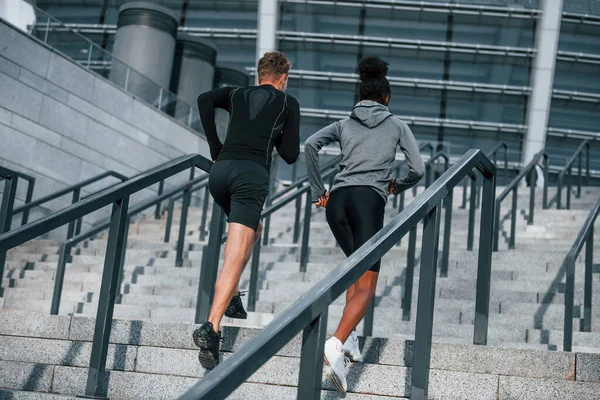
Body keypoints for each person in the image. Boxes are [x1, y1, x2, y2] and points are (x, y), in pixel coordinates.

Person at [304, 57, 425, 393]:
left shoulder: (344, 123)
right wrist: (395, 185)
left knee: (355, 273)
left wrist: (319, 190)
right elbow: (418, 169)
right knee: (369, 286)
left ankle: (351, 339)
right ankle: (336, 343)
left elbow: (311, 144)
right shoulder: (397, 125)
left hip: (338, 202)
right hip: (368, 203)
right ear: (386, 98)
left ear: (359, 99)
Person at [193, 51, 300, 370]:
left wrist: (215, 147)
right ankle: (211, 329)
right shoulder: (286, 102)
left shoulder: (236, 93)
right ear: (283, 78)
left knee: (255, 230)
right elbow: (292, 155)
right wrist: (278, 133)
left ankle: (234, 293)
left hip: (220, 173)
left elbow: (203, 100)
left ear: (259, 75)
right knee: (236, 254)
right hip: (249, 177)